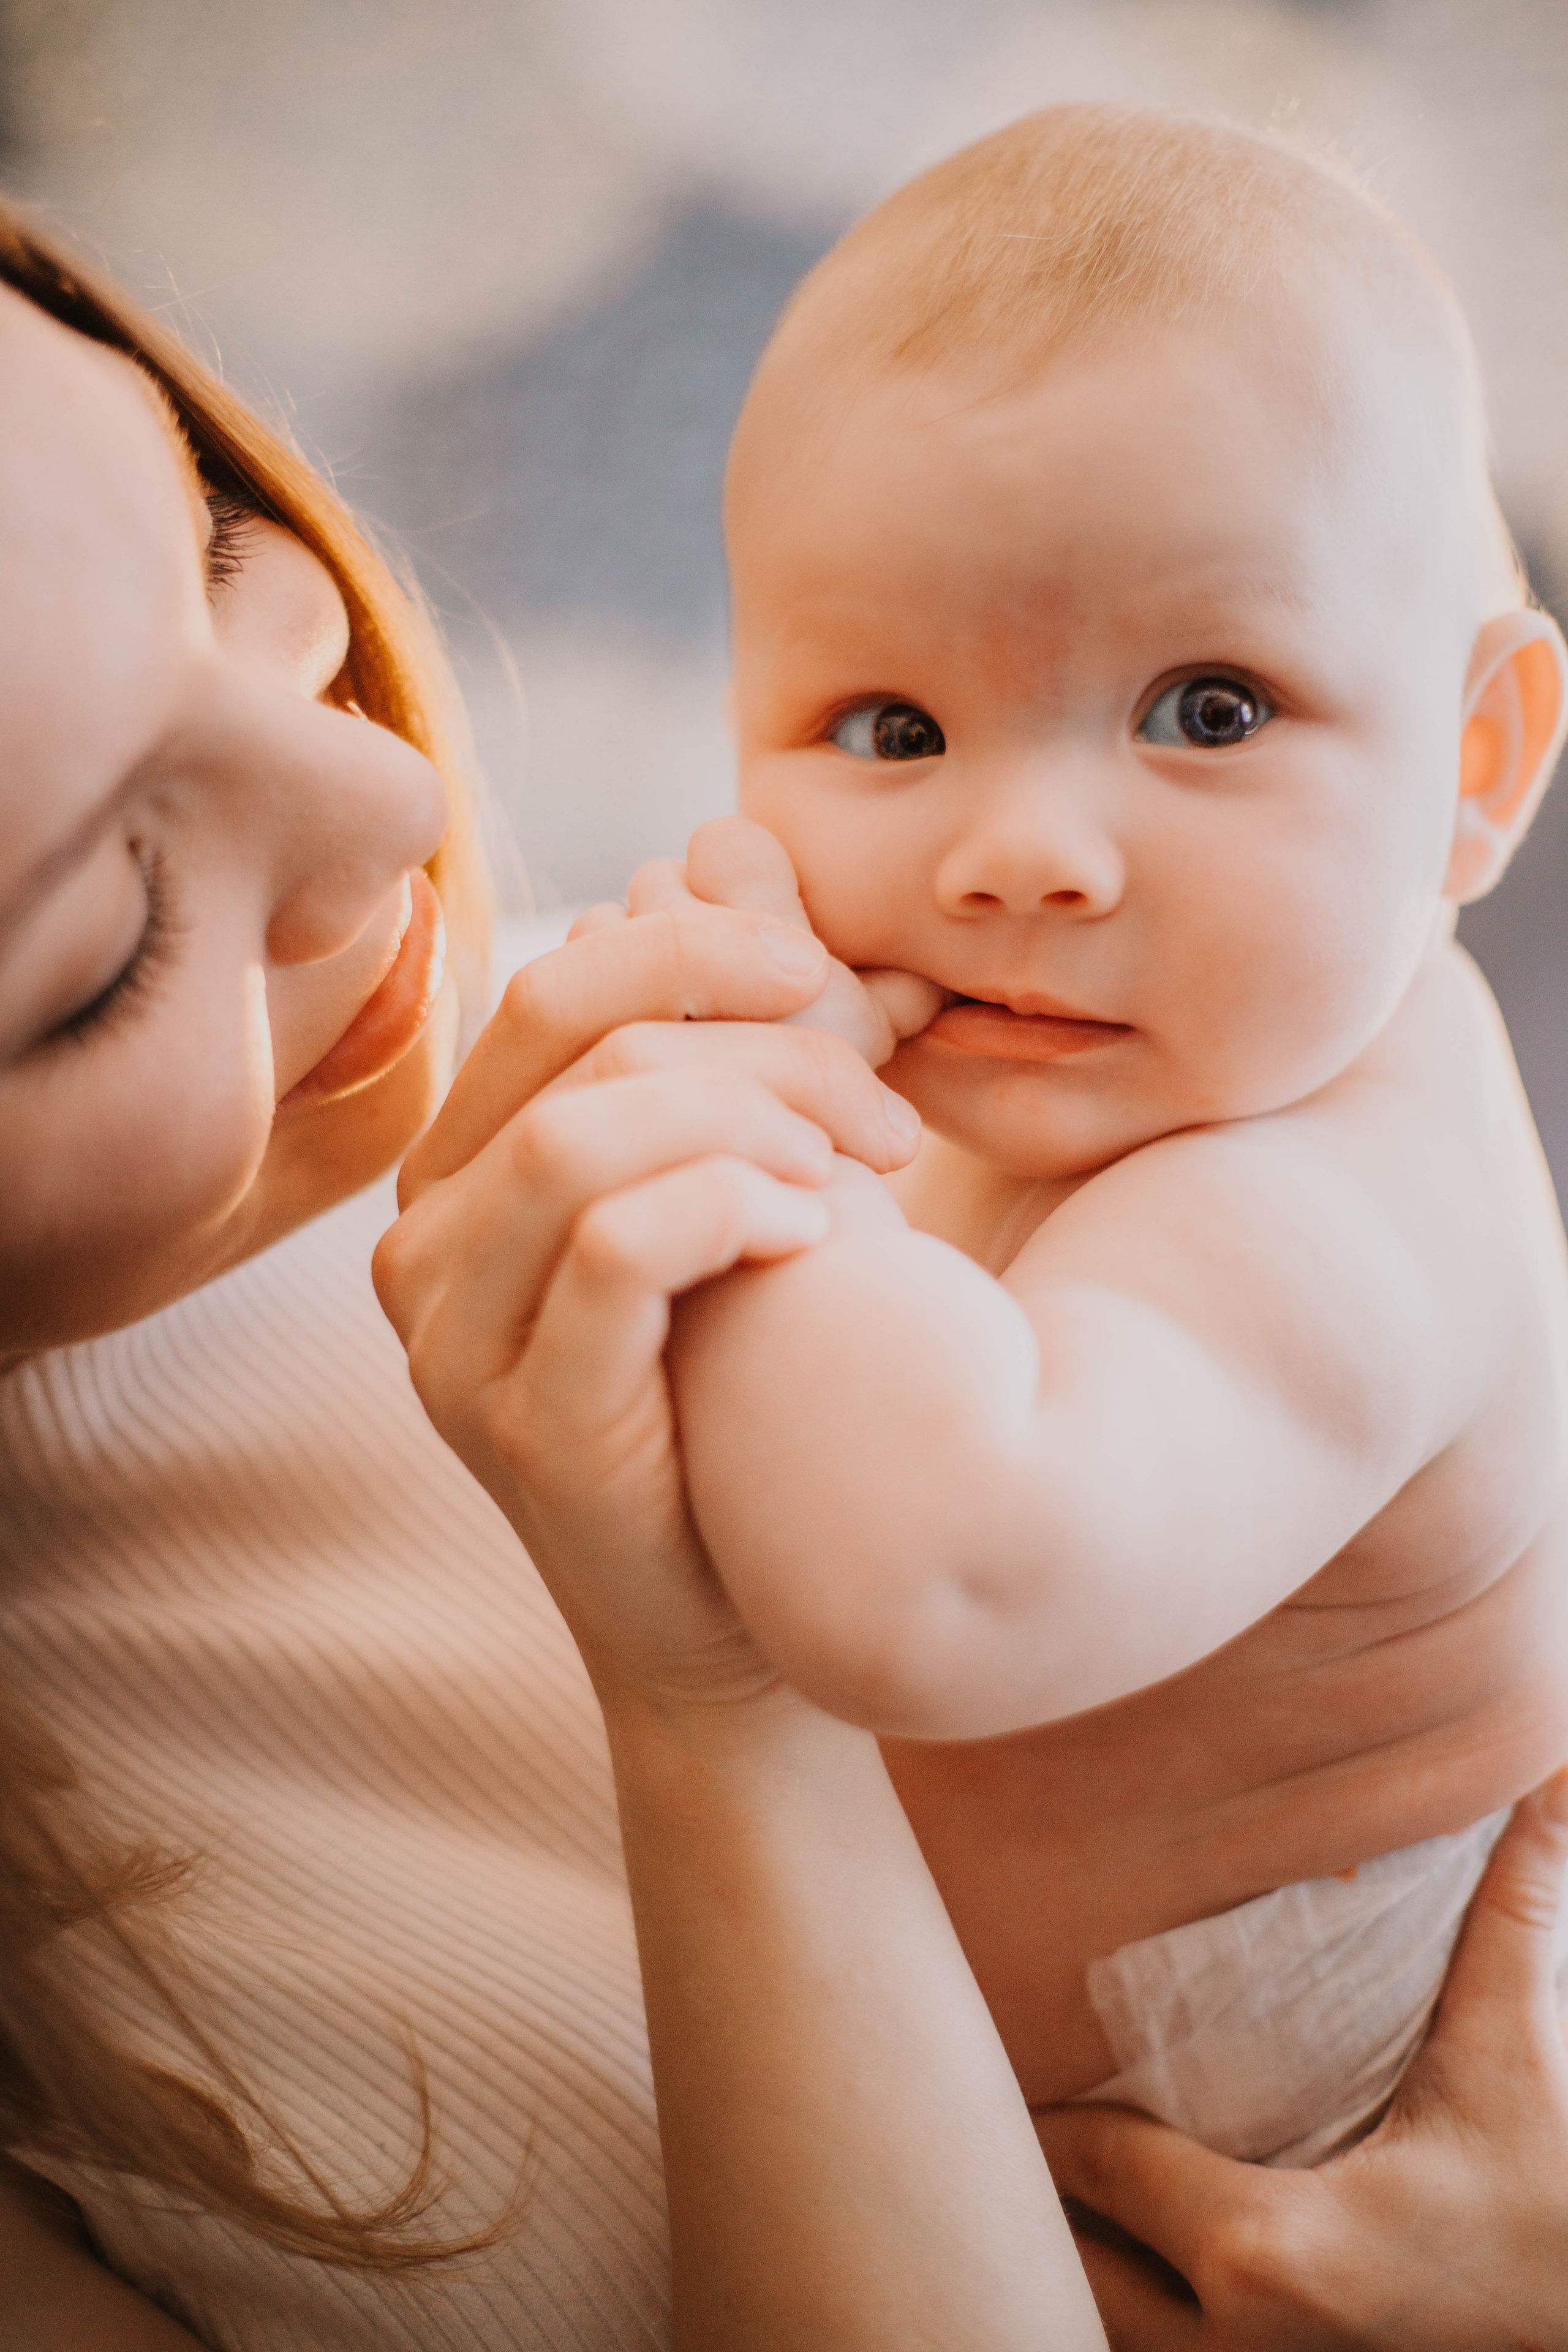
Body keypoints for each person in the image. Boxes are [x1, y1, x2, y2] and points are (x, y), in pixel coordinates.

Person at [0, 204, 1098, 2350]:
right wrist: (719, 1717)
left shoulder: (898, 1045)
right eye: (102, 947)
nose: (394, 797)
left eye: (219, 558)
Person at [476, 102, 1568, 2175]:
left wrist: (748, 1107)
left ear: (1476, 762)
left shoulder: (1335, 1197)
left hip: (1302, 2166)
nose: (1024, 854)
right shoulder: (1094, 1052)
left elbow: (934, 1585)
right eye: (890, 731)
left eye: (1210, 708)